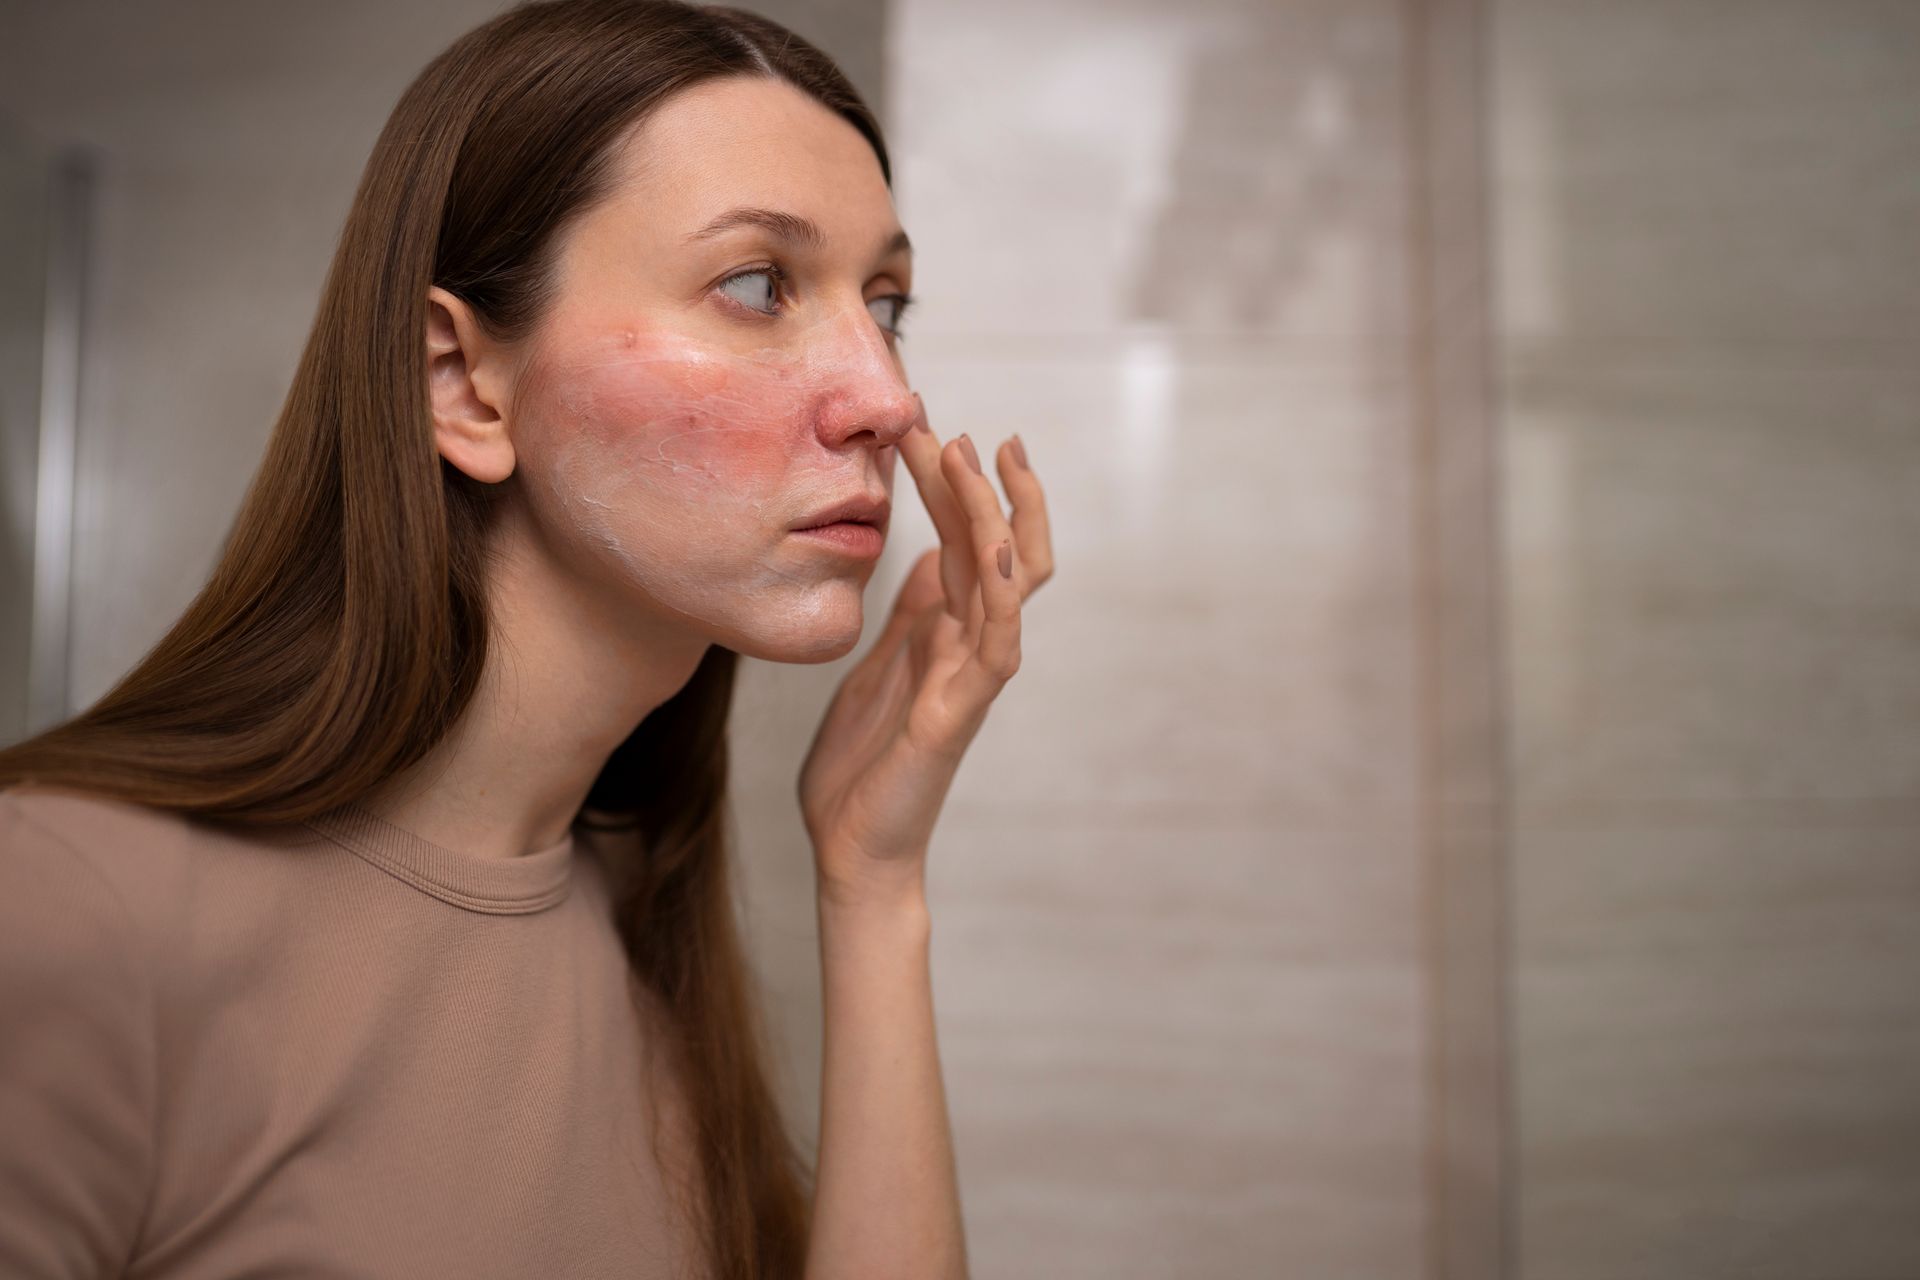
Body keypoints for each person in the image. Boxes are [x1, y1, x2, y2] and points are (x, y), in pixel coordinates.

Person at [0, 1, 1054, 1276]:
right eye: (759, 284)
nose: (888, 398)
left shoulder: (635, 924)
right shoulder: (60, 905)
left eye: (884, 302)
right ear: (463, 382)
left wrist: (874, 887)